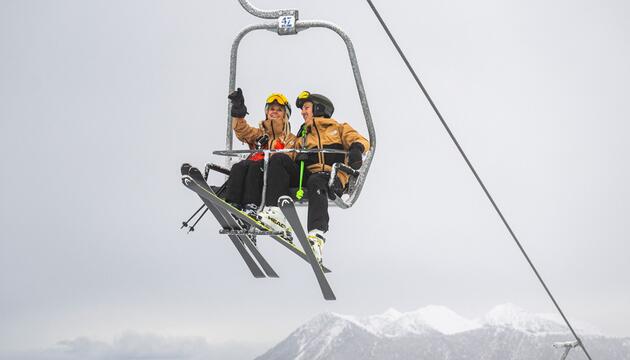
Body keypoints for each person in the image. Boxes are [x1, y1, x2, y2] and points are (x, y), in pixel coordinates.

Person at [293, 91, 369, 263]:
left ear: (319, 108)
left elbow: (361, 140)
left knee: (316, 180)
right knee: (279, 163)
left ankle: (316, 234)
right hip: (307, 177)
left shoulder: (338, 128)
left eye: (306, 107)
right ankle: (261, 209)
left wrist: (356, 149)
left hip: (332, 175)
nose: (303, 112)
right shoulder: (303, 136)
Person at [225, 88, 298, 224]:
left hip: (271, 173)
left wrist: (273, 149)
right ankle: (232, 203)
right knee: (239, 166)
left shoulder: (290, 138)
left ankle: (251, 205)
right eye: (271, 109)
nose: (274, 112)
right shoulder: (259, 134)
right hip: (255, 166)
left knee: (255, 167)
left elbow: (289, 157)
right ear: (266, 112)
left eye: (279, 110)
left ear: (285, 115)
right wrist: (238, 111)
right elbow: (242, 131)